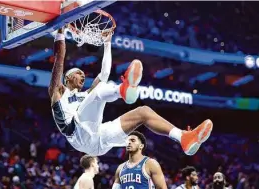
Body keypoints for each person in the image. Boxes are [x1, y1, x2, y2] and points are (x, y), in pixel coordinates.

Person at [49, 27, 213, 156]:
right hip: (76, 133)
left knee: (144, 112)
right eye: (78, 73)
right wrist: (60, 33)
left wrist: (107, 43)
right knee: (99, 91)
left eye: (83, 75)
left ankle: (183, 137)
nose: (83, 76)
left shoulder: (85, 96)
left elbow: (104, 74)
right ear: (67, 78)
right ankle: (123, 89)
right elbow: (60, 57)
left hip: (97, 139)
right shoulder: (58, 93)